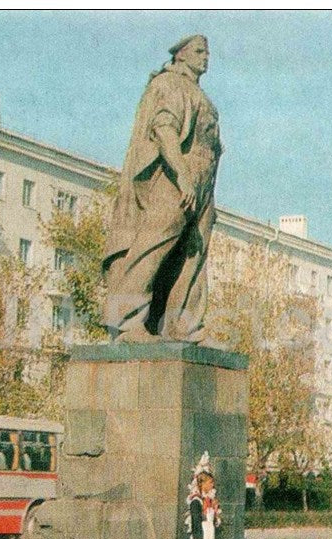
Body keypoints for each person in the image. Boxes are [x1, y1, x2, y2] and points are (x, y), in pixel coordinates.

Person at [103, 34, 222, 343]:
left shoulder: (198, 92)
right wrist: (182, 176)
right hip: (174, 177)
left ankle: (182, 326)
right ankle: (126, 322)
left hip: (203, 180)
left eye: (206, 52)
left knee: (192, 254)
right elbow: (164, 129)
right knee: (155, 243)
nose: (205, 57)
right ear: (180, 55)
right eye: (198, 51)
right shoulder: (170, 84)